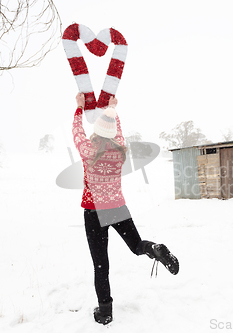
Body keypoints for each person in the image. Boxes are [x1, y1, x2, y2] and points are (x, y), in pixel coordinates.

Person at [72, 92, 179, 325]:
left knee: (101, 264)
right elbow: (117, 131)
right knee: (137, 245)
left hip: (94, 212)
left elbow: (77, 133)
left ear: (97, 132)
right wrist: (112, 110)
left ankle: (105, 312)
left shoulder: (89, 152)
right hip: (117, 207)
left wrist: (80, 108)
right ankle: (155, 248)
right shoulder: (119, 150)